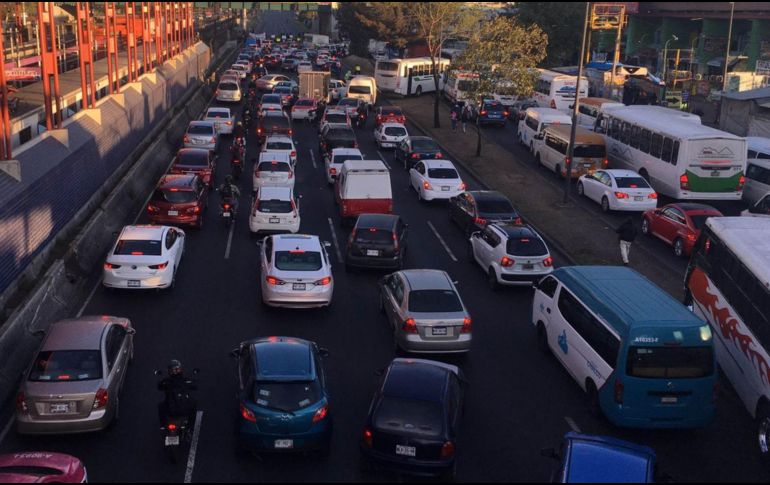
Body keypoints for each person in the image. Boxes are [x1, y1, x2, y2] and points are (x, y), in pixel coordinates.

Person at [157, 360, 198, 428]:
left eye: (176, 370)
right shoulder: (184, 380)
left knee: (160, 406)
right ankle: (191, 426)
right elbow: (195, 386)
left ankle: (163, 426)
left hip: (171, 410)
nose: (175, 371)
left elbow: (159, 386)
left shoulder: (167, 381)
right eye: (174, 370)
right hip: (184, 409)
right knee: (194, 404)